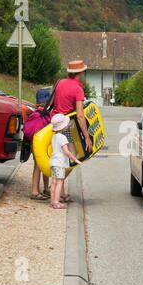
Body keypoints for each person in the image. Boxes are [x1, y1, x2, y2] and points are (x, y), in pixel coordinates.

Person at [52, 60, 93, 203]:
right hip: (68, 126)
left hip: (55, 123)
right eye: (84, 71)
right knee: (72, 158)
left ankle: (60, 191)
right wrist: (87, 137)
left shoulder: (60, 82)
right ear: (80, 73)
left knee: (60, 156)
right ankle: (59, 185)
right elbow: (80, 116)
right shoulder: (78, 89)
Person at [50, 114, 83, 209]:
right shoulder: (63, 138)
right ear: (64, 126)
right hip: (60, 164)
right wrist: (76, 159)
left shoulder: (54, 137)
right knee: (60, 182)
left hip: (53, 162)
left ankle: (52, 201)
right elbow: (66, 151)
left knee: (54, 182)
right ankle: (56, 202)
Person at [30, 87, 52, 201]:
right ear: (45, 102)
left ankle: (46, 188)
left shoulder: (40, 113)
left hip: (40, 144)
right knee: (38, 166)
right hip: (38, 145)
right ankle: (34, 191)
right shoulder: (40, 115)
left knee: (45, 165)